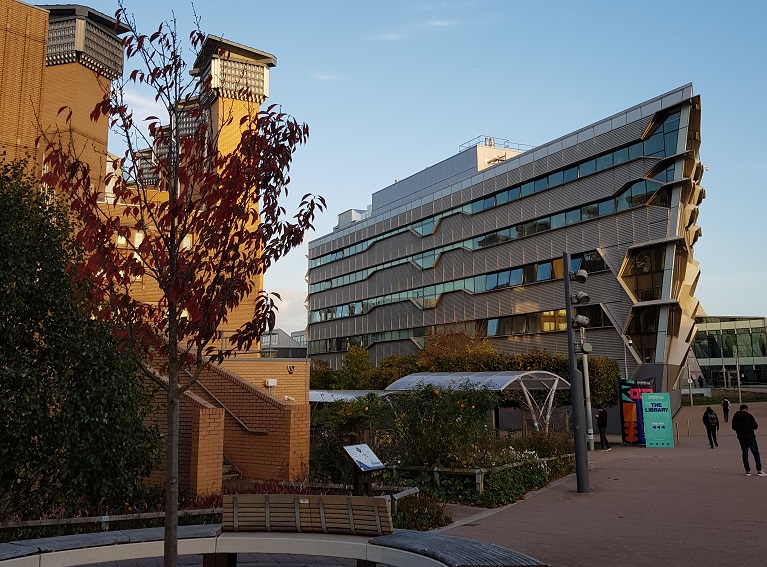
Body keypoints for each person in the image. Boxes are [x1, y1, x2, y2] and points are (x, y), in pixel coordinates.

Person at [731, 404, 766, 476]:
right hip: (750, 437)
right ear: (746, 409)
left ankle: (747, 470)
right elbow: (755, 426)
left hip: (741, 437)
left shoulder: (735, 417)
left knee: (745, 453)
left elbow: (733, 427)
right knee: (755, 453)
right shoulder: (749, 416)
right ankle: (759, 469)